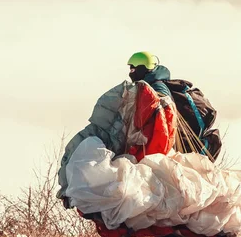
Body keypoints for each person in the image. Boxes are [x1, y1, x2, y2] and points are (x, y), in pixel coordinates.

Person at [57, 51, 176, 207]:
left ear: (146, 68)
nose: (131, 71)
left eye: (134, 68)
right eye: (130, 68)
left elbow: (156, 126)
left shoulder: (155, 89)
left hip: (149, 148)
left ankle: (76, 191)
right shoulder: (143, 88)